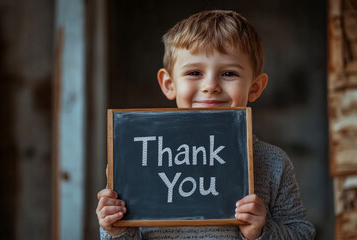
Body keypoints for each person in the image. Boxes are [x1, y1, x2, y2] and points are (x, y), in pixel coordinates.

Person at [96, 10, 316, 239]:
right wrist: (115, 230)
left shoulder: (273, 162)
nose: (210, 86)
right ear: (169, 84)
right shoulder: (142, 159)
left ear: (255, 87)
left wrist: (261, 231)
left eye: (229, 73)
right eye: (194, 72)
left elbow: (302, 233)